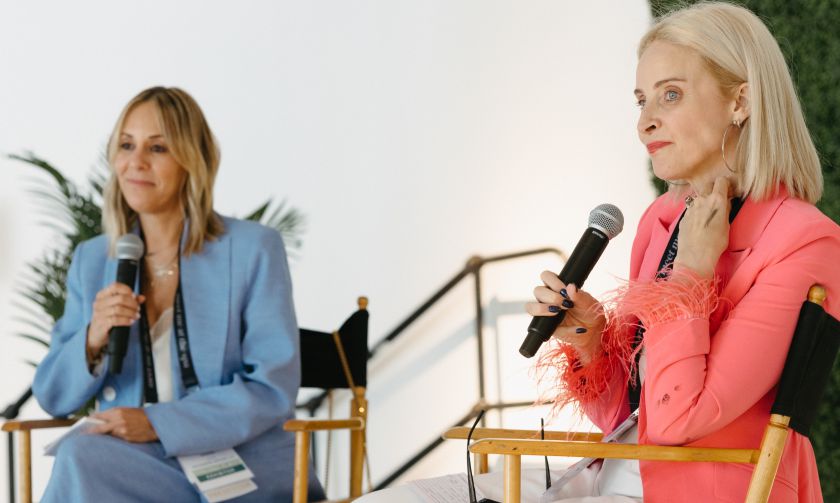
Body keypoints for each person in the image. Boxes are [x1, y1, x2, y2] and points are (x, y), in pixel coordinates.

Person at [357, 2, 840, 502]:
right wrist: (591, 340)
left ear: (741, 101)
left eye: (670, 95)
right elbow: (627, 415)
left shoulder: (804, 241)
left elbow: (678, 420)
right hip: (608, 473)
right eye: (640, 101)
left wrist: (692, 273)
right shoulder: (663, 222)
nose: (646, 122)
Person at [32, 86, 325, 502]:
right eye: (126, 145)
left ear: (192, 159)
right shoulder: (94, 259)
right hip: (141, 464)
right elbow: (53, 396)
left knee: (85, 462)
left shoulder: (252, 249)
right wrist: (93, 337)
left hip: (240, 460)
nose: (136, 162)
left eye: (158, 148)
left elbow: (270, 388)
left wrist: (157, 422)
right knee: (84, 455)